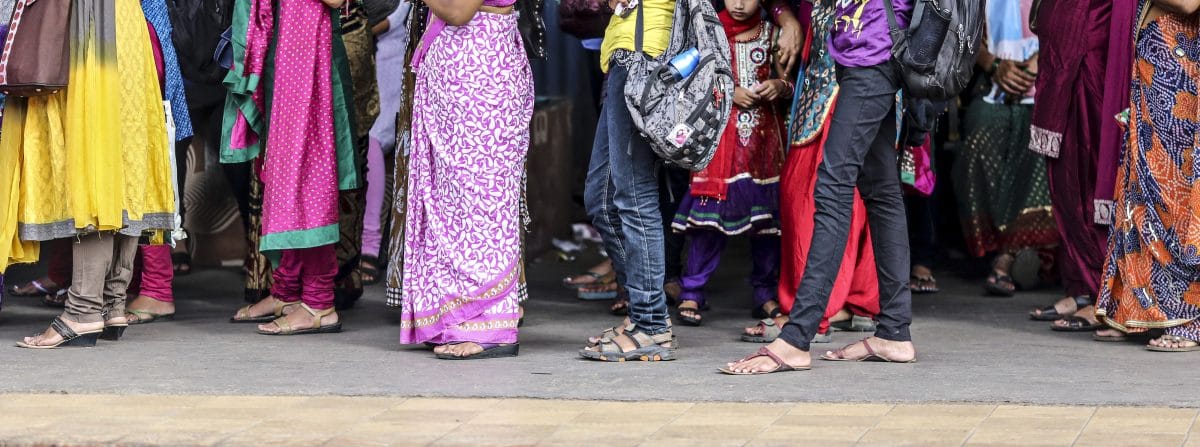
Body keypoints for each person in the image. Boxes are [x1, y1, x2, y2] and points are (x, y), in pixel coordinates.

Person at [722, 0, 919, 374]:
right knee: (881, 191)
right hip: (866, 52)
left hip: (872, 53)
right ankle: (894, 331)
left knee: (832, 189)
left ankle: (797, 338)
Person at [3, 0, 177, 348]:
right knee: (121, 158)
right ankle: (111, 303)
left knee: (92, 158)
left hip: (87, 26)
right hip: (126, 29)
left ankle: (83, 311)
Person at [391, 0, 534, 359]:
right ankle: (455, 319)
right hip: (464, 71)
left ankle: (490, 328)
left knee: (478, 203)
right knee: (453, 202)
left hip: (478, 71)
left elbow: (459, 11)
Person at [741, 0, 880, 346]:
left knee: (812, 194)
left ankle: (811, 308)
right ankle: (852, 302)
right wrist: (785, 17)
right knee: (851, 192)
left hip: (845, 85)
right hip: (835, 84)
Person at [222, 0, 360, 336]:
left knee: (310, 176)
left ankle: (318, 303)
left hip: (311, 60)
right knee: (284, 174)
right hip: (284, 51)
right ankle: (287, 292)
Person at [669, 0, 786, 327]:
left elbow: (791, 80)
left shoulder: (774, 35)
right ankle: (692, 290)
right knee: (708, 221)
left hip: (762, 146)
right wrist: (728, 90)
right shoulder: (708, 33)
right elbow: (686, 79)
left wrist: (780, 86)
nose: (738, 3)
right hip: (717, 145)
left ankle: (764, 293)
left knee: (766, 225)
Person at [1094, 0, 1199, 352]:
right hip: (1161, 59)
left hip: (1183, 65)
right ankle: (1142, 308)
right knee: (1146, 186)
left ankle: (1188, 316)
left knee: (1178, 194)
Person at [1027, 0, 1129, 332]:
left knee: (1092, 167)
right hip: (1061, 41)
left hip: (1093, 44)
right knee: (1065, 169)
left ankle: (1103, 290)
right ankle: (1080, 286)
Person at [952, 0, 1058, 297]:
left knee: (1041, 144)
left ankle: (1011, 255)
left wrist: (1040, 60)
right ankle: (999, 248)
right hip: (993, 85)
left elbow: (1078, 19)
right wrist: (994, 64)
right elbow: (959, 29)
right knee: (979, 139)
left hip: (1051, 78)